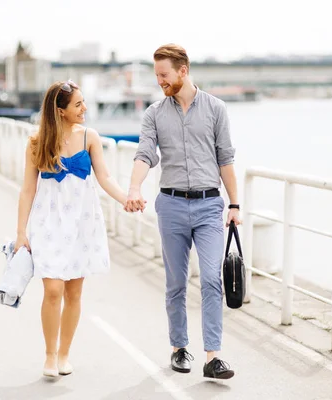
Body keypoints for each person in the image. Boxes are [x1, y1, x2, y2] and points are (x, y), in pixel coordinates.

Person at [125, 44, 241, 380]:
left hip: (208, 206)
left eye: (164, 74)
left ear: (183, 71)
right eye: (157, 75)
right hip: (171, 205)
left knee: (210, 279)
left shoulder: (216, 109)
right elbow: (145, 154)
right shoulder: (155, 114)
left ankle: (213, 356)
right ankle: (179, 348)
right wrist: (134, 187)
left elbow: (226, 159)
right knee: (176, 283)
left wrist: (234, 204)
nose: (160, 81)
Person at [14, 80, 127, 377]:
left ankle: (64, 355)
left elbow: (104, 177)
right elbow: (27, 189)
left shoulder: (90, 136)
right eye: (78, 104)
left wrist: (128, 199)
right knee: (53, 289)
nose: (84, 108)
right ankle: (49, 356)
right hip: (48, 221)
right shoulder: (37, 141)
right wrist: (20, 233)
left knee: (74, 293)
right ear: (60, 110)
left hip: (81, 221)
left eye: (83, 102)